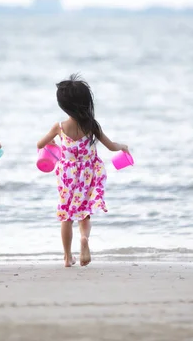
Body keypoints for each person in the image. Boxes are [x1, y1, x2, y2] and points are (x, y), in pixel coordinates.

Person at [37, 74, 130, 267]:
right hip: (88, 174)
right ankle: (84, 239)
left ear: (63, 105)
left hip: (67, 176)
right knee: (85, 213)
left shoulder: (60, 127)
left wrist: (52, 142)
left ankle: (67, 257)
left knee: (66, 216)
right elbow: (111, 146)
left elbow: (39, 144)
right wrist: (123, 147)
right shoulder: (92, 126)